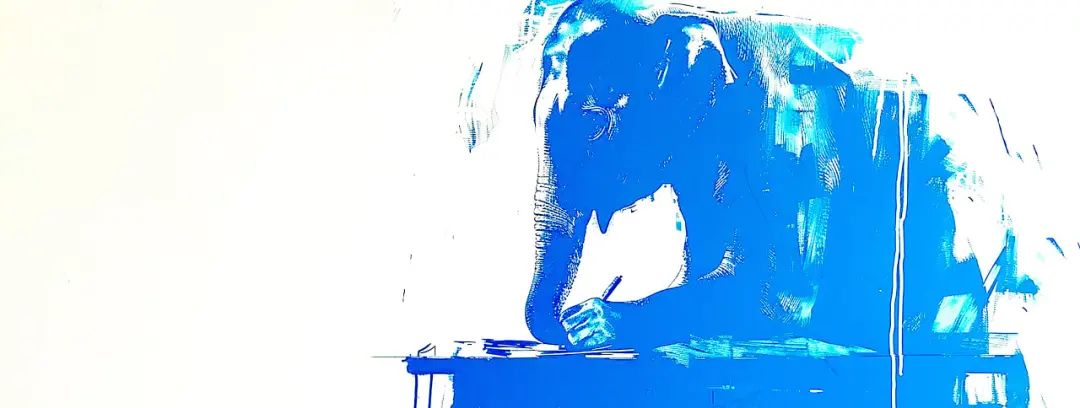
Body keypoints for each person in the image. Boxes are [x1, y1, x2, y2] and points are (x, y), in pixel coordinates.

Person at [524, 0, 990, 358]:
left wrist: (632, 320)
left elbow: (772, 296)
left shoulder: (784, 100)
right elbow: (714, 279)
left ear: (679, 78)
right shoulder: (699, 119)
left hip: (915, 337)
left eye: (595, 123)